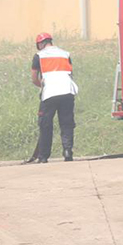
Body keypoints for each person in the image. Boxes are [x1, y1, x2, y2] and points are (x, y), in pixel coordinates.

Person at [26, 32, 78, 164]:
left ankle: (43, 156)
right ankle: (67, 152)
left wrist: (41, 86)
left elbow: (34, 78)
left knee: (45, 124)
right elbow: (70, 73)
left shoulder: (39, 56)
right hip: (67, 91)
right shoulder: (65, 54)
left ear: (40, 44)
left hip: (50, 93)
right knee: (66, 123)